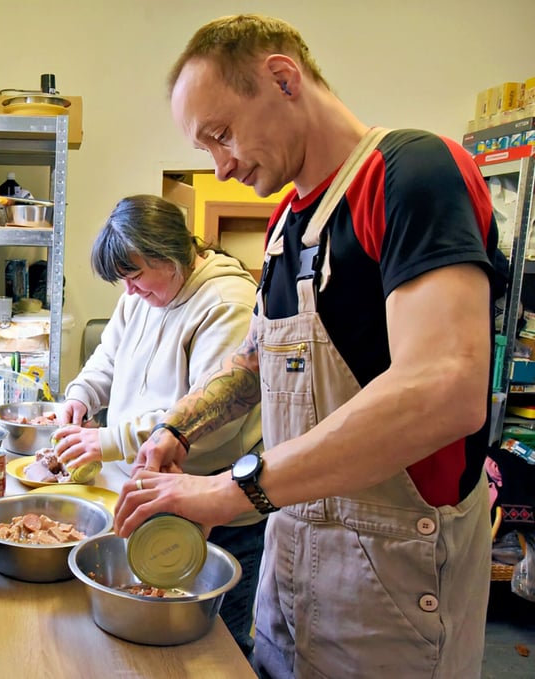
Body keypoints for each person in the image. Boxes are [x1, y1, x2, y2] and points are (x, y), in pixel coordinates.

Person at [113, 14, 498, 679]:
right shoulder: (291, 225)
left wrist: (229, 492)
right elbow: (256, 364)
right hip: (291, 575)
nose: (220, 165)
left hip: (392, 592)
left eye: (221, 134)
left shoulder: (411, 173)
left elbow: (445, 387)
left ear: (282, 78)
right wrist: (179, 426)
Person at [51, 193, 264, 654]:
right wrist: (80, 397)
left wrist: (107, 440)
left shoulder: (228, 301)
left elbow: (212, 418)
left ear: (169, 256)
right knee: (147, 636)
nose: (129, 291)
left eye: (135, 276)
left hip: (217, 508)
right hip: (149, 490)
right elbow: (106, 358)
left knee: (213, 648)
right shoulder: (141, 296)